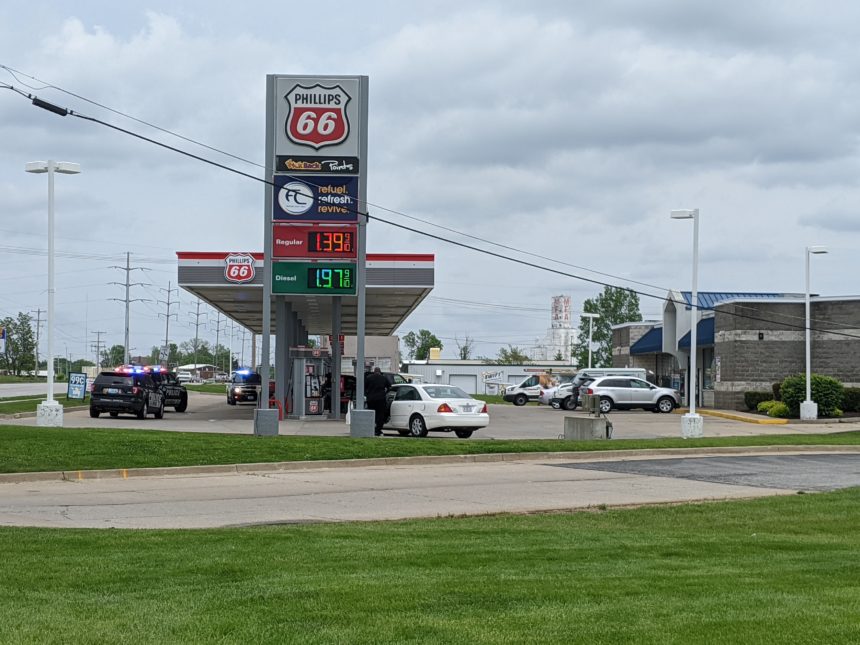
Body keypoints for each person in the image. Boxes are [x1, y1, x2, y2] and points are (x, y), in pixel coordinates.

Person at [364, 367, 391, 436]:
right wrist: (385, 393)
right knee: (380, 415)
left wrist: (367, 394)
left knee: (371, 414)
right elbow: (389, 387)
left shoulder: (369, 378)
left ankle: (371, 429)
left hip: (371, 399)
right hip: (381, 399)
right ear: (380, 372)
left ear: (374, 371)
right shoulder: (383, 378)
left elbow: (364, 387)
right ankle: (378, 430)